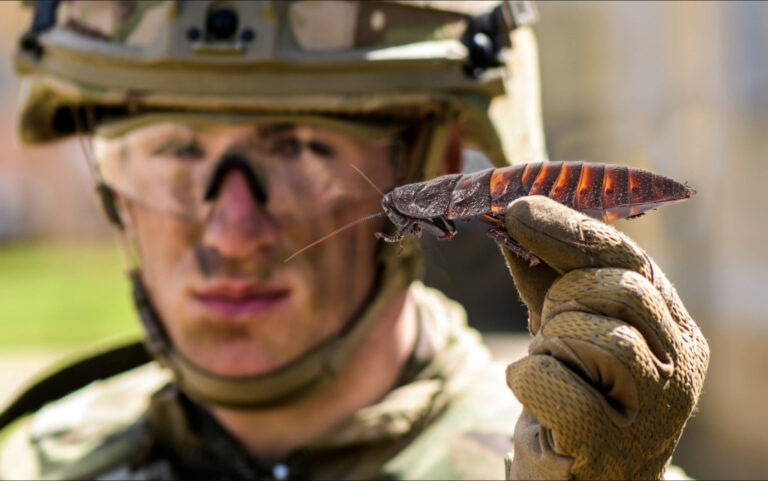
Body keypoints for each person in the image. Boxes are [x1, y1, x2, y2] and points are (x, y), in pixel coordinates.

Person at [0, 1, 709, 479]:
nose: (235, 231)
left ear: (433, 156)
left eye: (302, 152)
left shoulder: (587, 454)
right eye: (175, 154)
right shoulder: (33, 456)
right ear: (109, 187)